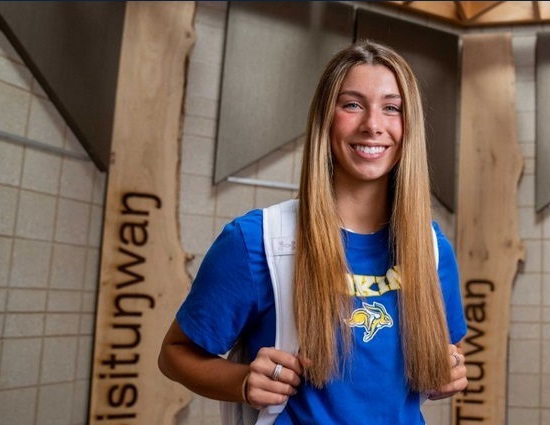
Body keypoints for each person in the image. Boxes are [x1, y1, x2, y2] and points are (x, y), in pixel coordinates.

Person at [159, 40, 468, 424]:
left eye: (392, 108)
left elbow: (450, 352)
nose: (373, 125)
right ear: (326, 117)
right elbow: (174, 353)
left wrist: (449, 370)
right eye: (352, 104)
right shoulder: (257, 240)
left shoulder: (432, 249)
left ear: (410, 126)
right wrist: (242, 381)